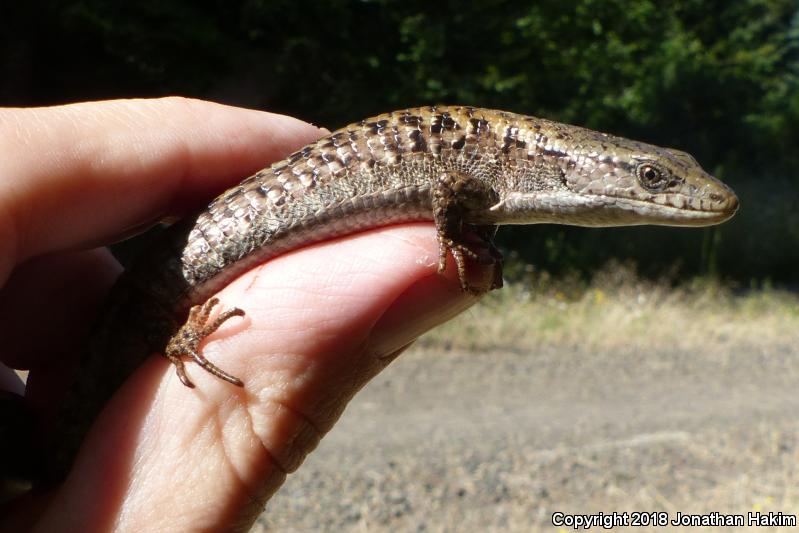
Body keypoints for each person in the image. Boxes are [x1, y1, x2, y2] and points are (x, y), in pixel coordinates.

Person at [0, 98, 488, 531]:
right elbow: (138, 313)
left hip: (164, 283)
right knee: (70, 433)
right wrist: (177, 339)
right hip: (152, 293)